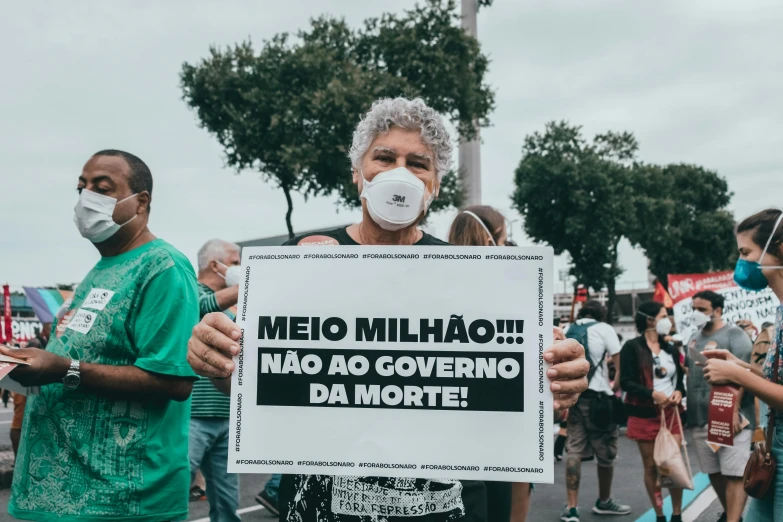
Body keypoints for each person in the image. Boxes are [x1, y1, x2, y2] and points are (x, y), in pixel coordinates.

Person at [185, 97, 591, 522]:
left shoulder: (472, 276)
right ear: (358, 173)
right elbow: (257, 387)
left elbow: (513, 391)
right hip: (323, 506)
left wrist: (557, 379)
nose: (400, 173)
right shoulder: (299, 260)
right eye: (384, 157)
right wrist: (219, 362)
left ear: (435, 184)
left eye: (418, 163)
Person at [0, 150, 199, 522]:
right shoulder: (100, 270)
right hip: (58, 500)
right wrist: (23, 364)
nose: (85, 198)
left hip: (118, 500)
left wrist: (64, 368)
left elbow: (174, 381)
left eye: (102, 188)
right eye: (81, 188)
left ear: (141, 202)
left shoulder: (163, 267)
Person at [701, 208, 783, 521]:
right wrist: (740, 365)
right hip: (773, 452)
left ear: (778, 251)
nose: (741, 263)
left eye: (746, 252)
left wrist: (737, 375)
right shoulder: (780, 311)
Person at [448, 205, 527, 522]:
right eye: (506, 240)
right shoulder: (507, 293)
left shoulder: (431, 283)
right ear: (494, 241)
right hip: (497, 429)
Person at [686, 290, 753, 522]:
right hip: (700, 418)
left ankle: (733, 520)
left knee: (734, 473)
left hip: (732, 419)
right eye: (693, 308)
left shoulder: (735, 334)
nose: (696, 313)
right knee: (712, 471)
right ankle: (731, 515)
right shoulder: (693, 338)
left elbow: (746, 373)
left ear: (717, 310)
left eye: (701, 309)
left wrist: (734, 410)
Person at [559, 300, 629, 522]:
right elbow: (619, 362)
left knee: (574, 451)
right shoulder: (604, 329)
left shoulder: (567, 329)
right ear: (601, 313)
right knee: (606, 452)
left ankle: (571, 508)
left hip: (574, 398)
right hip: (599, 399)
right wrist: (614, 385)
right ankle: (604, 500)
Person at [190, 239, 244, 522]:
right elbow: (201, 306)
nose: (240, 268)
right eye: (235, 262)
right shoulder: (190, 291)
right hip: (193, 415)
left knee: (227, 503)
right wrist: (247, 284)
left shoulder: (232, 305)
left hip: (225, 416)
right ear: (215, 265)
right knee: (172, 491)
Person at [620, 301, 686, 522]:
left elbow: (680, 381)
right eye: (664, 315)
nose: (668, 320)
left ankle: (677, 513)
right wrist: (651, 394)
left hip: (671, 414)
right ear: (650, 320)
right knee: (651, 467)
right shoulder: (631, 347)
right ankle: (659, 514)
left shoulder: (670, 348)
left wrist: (678, 392)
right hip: (644, 415)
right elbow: (626, 382)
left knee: (672, 464)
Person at [9, 323, 51, 460]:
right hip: (26, 383)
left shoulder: (45, 341)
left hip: (36, 384)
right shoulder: (36, 342)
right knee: (19, 422)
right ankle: (17, 460)